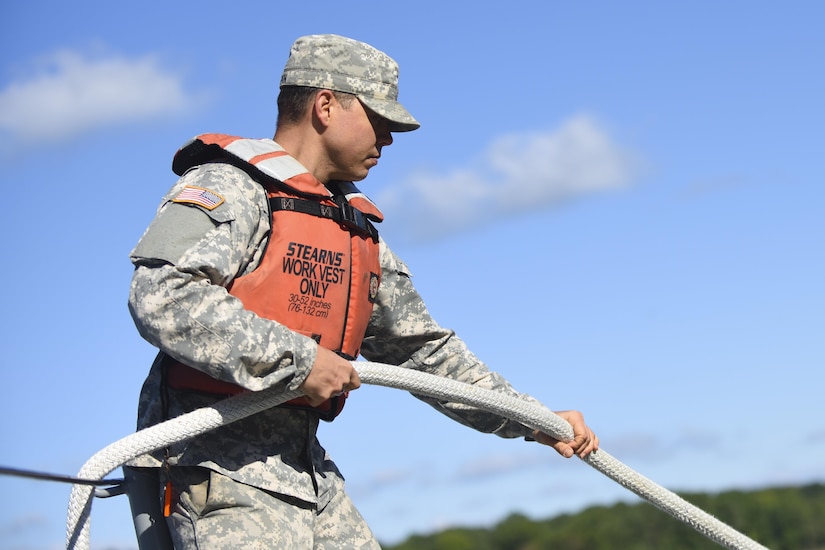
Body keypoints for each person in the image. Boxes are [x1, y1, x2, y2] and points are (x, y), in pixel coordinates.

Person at [126, 34, 599, 549]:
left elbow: (425, 352)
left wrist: (533, 419)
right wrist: (301, 361)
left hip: (306, 471)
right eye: (379, 122)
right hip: (217, 471)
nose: (389, 140)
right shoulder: (231, 187)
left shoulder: (356, 232)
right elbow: (162, 294)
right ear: (325, 106)